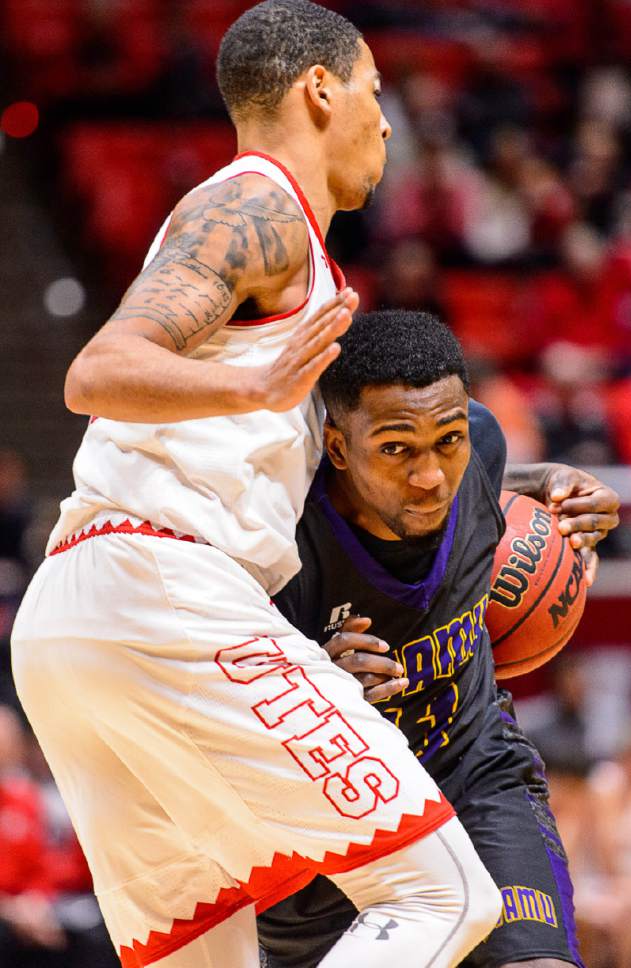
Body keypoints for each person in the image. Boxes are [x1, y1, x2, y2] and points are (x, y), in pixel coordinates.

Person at [10, 4, 504, 967]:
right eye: (372, 91)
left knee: (210, 956)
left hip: (87, 612)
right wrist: (254, 382)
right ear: (319, 89)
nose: (387, 120)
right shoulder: (259, 205)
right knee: (439, 893)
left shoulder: (275, 239)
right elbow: (98, 371)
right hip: (160, 591)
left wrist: (521, 484)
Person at [258, 309, 620, 968]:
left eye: (445, 441)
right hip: (333, 814)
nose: (429, 475)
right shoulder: (278, 541)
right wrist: (313, 687)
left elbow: (468, 465)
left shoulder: (479, 443)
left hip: (474, 771)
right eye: (395, 448)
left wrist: (544, 484)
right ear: (336, 447)